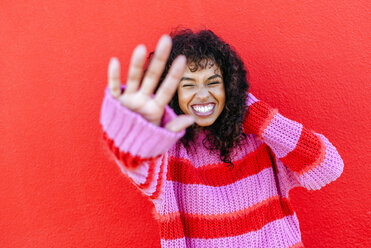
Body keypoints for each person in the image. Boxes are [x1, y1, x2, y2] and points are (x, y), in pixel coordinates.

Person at [100, 29, 344, 248]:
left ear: (229, 86)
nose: (203, 94)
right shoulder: (169, 155)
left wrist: (249, 110)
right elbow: (140, 163)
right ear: (173, 93)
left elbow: (328, 168)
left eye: (213, 82)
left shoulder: (259, 140)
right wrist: (136, 131)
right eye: (189, 86)